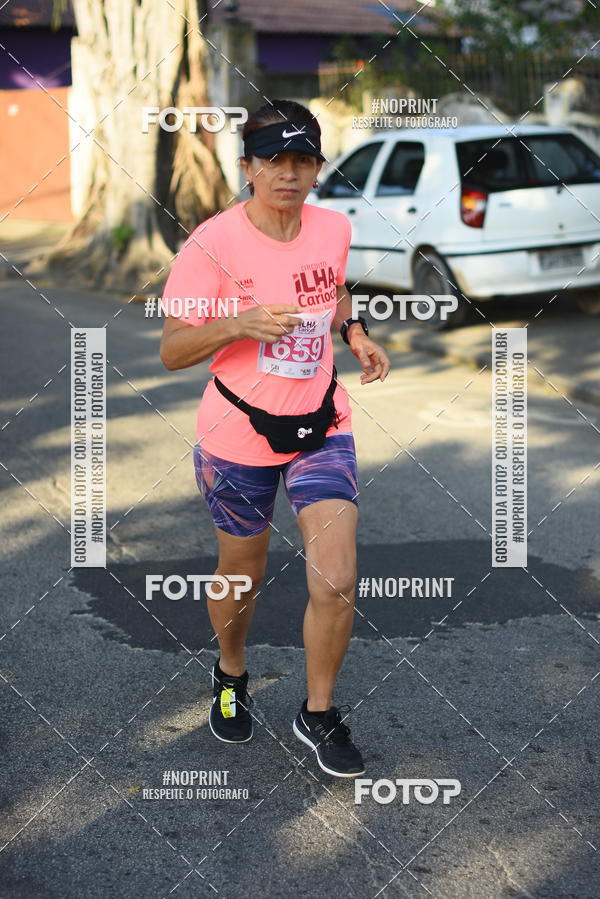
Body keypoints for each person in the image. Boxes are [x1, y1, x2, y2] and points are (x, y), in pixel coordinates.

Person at [160, 99, 390, 778]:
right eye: (274, 159)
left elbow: (333, 287)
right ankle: (231, 670)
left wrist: (354, 333)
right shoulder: (211, 244)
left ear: (317, 169)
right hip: (236, 432)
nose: (288, 173)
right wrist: (239, 323)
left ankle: (317, 712)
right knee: (242, 575)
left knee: (338, 575)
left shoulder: (332, 227)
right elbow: (173, 349)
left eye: (302, 160)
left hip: (322, 421)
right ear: (248, 168)